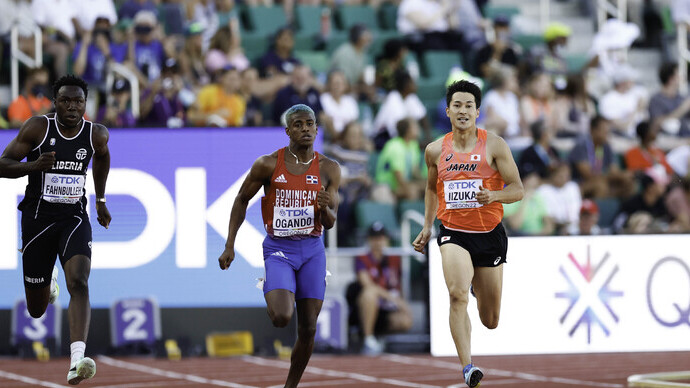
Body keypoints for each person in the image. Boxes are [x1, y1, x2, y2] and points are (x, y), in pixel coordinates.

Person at [218, 104, 341, 388]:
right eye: (298, 125)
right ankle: (271, 282)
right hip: (279, 249)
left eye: (310, 124)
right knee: (281, 318)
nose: (305, 129)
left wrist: (325, 210)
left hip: (312, 249)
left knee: (309, 328)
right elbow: (240, 199)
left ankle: (290, 386)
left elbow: (331, 222)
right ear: (287, 131)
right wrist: (230, 245)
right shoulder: (268, 164)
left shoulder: (329, 169)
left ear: (317, 129)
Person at [0, 75, 111, 385]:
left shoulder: (96, 135)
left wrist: (100, 200)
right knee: (36, 310)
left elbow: (102, 158)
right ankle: (47, 281)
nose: (72, 107)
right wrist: (32, 166)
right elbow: (3, 163)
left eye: (78, 101)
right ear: (55, 102)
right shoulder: (38, 128)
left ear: (85, 104)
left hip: (74, 217)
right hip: (37, 219)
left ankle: (77, 359)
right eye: (66, 101)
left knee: (79, 280)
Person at [412, 80, 524, 387]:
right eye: (457, 105)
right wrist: (426, 225)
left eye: (469, 106)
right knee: (456, 294)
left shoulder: (495, 145)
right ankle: (467, 367)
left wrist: (494, 197)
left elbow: (518, 189)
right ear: (448, 111)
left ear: (478, 111)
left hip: (489, 233)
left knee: (490, 320)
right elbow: (430, 188)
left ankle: (478, 288)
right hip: (453, 232)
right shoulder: (435, 150)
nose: (463, 111)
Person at [346, 222, 413, 355]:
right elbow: (367, 285)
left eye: (381, 238)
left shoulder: (394, 259)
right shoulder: (362, 259)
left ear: (386, 240)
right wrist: (395, 299)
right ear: (369, 240)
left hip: (385, 308)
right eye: (375, 238)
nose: (378, 242)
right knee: (370, 294)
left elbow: (397, 285)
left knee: (405, 321)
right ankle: (368, 339)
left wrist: (399, 302)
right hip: (365, 308)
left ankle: (380, 336)